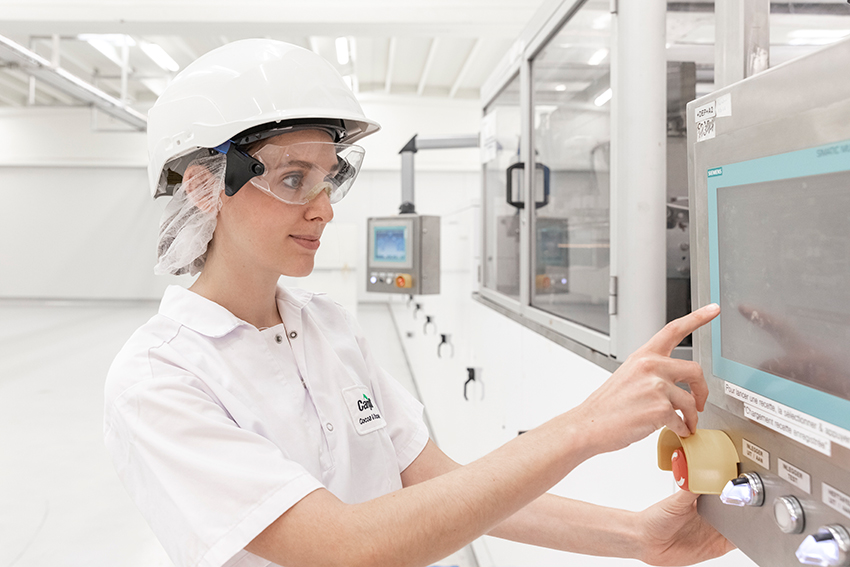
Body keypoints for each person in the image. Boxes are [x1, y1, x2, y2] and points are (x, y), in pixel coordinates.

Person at [103, 39, 733, 567]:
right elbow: (341, 546)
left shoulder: (326, 326)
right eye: (293, 178)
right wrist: (582, 430)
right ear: (207, 186)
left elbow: (429, 477)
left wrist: (636, 535)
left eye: (329, 180)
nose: (321, 208)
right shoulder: (162, 378)